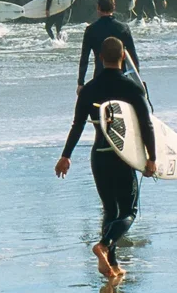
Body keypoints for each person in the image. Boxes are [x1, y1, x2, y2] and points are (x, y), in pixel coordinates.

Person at [55, 37, 156, 279]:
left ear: (99, 58)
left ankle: (111, 264)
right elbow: (146, 124)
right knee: (129, 211)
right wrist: (152, 158)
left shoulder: (90, 88)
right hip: (122, 155)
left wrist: (65, 156)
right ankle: (104, 244)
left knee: (109, 209)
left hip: (99, 154)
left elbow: (78, 125)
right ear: (123, 57)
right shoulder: (133, 88)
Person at [78, 0, 139, 82]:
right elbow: (133, 56)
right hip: (121, 79)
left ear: (98, 7)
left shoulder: (91, 30)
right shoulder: (123, 28)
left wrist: (80, 82)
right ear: (113, 7)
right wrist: (137, 80)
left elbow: (84, 58)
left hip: (100, 78)